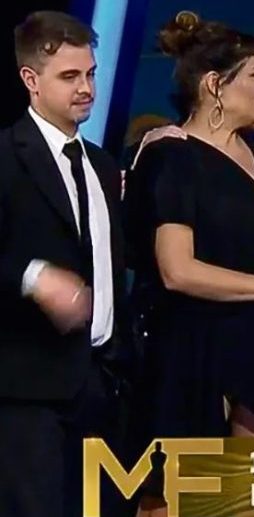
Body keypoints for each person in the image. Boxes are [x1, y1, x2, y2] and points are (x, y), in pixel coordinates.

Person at [125, 11, 254, 482]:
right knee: (182, 499)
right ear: (215, 85)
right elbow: (177, 270)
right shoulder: (171, 156)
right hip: (197, 359)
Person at [0, 11, 129, 516]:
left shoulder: (103, 165)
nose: (86, 89)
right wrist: (34, 277)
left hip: (101, 385)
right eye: (70, 76)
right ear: (30, 79)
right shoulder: (5, 157)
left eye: (91, 73)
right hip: (27, 392)